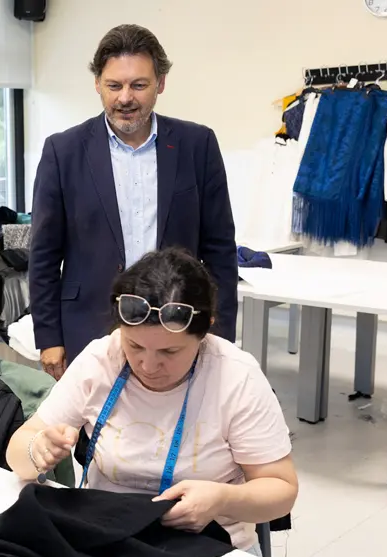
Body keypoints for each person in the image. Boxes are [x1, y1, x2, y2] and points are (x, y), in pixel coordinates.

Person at [6, 248, 296, 553]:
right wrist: (36, 449)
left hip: (209, 547)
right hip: (109, 538)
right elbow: (17, 451)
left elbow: (282, 490)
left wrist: (222, 500)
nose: (147, 365)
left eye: (169, 352)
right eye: (134, 345)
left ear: (205, 331)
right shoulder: (100, 361)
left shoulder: (236, 377)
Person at [30, 24, 237, 380]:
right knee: (95, 415)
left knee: (175, 414)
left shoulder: (197, 145)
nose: (125, 98)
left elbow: (220, 250)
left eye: (139, 85)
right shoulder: (63, 151)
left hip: (177, 324)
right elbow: (44, 255)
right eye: (114, 85)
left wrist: (220, 334)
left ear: (161, 83)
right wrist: (49, 337)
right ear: (98, 84)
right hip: (89, 325)